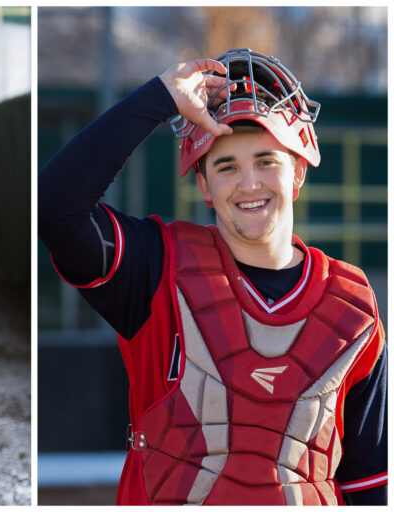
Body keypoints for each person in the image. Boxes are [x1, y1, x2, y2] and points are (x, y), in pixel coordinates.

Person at [38, 49, 386, 505]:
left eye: (266, 161)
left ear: (298, 170)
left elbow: (370, 483)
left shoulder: (352, 306)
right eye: (226, 166)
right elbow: (55, 208)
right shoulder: (156, 266)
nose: (249, 184)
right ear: (203, 185)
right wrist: (160, 97)